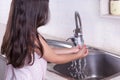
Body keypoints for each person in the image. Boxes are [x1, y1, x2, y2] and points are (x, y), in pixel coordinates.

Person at [1, 0, 88, 80]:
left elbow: (47, 52)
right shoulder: (32, 38)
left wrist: (71, 50)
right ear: (36, 12)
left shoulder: (19, 33)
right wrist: (78, 55)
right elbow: (55, 58)